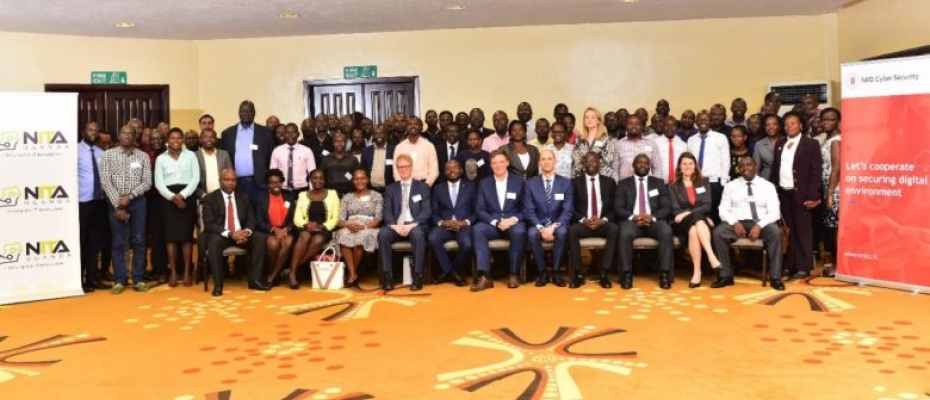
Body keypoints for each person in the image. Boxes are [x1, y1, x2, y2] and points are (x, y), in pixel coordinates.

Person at [711, 157, 784, 290]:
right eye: (742, 166)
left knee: (776, 232)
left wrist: (759, 225)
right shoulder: (731, 186)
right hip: (737, 222)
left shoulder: (767, 186)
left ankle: (775, 277)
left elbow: (775, 212)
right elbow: (722, 209)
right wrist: (734, 222)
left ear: (756, 166)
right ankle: (725, 275)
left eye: (749, 165)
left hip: (761, 222)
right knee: (718, 233)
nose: (745, 168)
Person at [100, 125, 153, 294]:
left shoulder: (143, 156)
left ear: (135, 136)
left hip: (137, 202)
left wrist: (129, 197)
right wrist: (118, 204)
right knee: (118, 242)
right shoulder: (108, 155)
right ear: (119, 135)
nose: (127, 136)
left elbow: (147, 182)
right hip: (115, 203)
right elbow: (105, 181)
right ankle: (120, 280)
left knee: (138, 240)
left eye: (130, 134)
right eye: (124, 133)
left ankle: (137, 279)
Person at [770, 112, 823, 280]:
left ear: (800, 125)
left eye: (793, 123)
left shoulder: (811, 144)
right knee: (789, 231)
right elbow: (775, 168)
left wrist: (813, 195)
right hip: (784, 193)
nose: (789, 127)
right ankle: (790, 265)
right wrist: (773, 191)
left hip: (802, 194)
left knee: (803, 231)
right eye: (786, 124)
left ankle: (803, 266)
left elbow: (816, 171)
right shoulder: (780, 143)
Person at [201, 169, 270, 296]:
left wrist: (247, 232)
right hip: (222, 235)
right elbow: (210, 224)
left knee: (260, 237)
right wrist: (231, 234)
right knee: (214, 242)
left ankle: (255, 280)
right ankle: (218, 284)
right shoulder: (210, 198)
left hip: (241, 234)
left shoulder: (244, 197)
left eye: (233, 180)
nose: (230, 183)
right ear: (220, 181)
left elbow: (251, 219)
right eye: (227, 180)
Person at [615, 154, 674, 290]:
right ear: (633, 165)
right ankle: (627, 273)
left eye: (646, 163)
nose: (643, 165)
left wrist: (651, 217)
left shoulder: (658, 183)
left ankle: (664, 273)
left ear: (650, 166)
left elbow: (666, 207)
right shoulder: (623, 183)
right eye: (639, 163)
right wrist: (634, 217)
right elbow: (618, 208)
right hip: (632, 221)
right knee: (624, 233)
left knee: (666, 231)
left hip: (653, 220)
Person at [472, 150, 528, 291]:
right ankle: (485, 276)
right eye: (494, 163)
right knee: (478, 229)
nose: (498, 165)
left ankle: (513, 274)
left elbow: (526, 208)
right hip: (493, 224)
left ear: (508, 162)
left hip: (513, 224)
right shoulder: (484, 183)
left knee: (520, 231)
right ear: (490, 165)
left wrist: (513, 220)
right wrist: (496, 222)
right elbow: (480, 209)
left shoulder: (519, 181)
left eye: (501, 162)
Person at [154, 128, 200, 287]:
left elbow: (196, 178)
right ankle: (173, 272)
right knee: (170, 237)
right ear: (168, 140)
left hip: (187, 197)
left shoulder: (191, 155)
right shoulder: (161, 159)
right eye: (172, 138)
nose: (175, 140)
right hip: (168, 199)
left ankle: (187, 272)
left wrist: (183, 195)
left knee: (186, 237)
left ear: (182, 140)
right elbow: (159, 182)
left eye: (179, 138)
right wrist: (173, 197)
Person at [668, 152, 722, 288]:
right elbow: (675, 211)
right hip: (681, 223)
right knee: (697, 219)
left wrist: (689, 212)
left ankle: (696, 272)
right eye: (684, 164)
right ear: (679, 167)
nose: (687, 166)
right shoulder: (673, 186)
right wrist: (699, 215)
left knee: (693, 231)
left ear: (695, 165)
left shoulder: (704, 182)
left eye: (690, 163)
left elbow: (708, 205)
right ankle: (711, 256)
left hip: (698, 222)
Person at [379, 154, 432, 291]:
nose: (403, 170)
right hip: (397, 225)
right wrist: (395, 226)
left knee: (418, 235)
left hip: (415, 225)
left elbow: (426, 211)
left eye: (406, 166)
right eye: (400, 167)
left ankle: (417, 276)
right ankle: (388, 277)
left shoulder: (422, 187)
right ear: (396, 169)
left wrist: (412, 224)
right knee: (383, 233)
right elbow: (387, 212)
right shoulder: (391, 189)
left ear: (411, 167)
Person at [568, 151, 619, 289]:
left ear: (599, 163)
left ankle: (604, 273)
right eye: (588, 161)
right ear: (583, 164)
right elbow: (571, 207)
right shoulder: (574, 183)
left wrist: (604, 220)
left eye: (594, 161)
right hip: (584, 223)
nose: (591, 164)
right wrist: (584, 220)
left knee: (614, 229)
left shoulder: (609, 182)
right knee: (572, 231)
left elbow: (616, 208)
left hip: (603, 223)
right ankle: (579, 274)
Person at [524, 149, 573, 287]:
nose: (546, 162)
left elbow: (567, 210)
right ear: (539, 162)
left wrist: (553, 227)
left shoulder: (566, 183)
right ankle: (542, 272)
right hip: (537, 223)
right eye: (543, 159)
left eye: (549, 159)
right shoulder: (530, 183)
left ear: (555, 161)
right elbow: (528, 210)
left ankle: (556, 272)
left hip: (558, 224)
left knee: (563, 232)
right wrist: (541, 227)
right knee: (531, 233)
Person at [287, 169, 340, 289]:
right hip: (306, 227)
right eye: (315, 178)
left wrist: (320, 227)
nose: (318, 180)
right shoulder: (302, 195)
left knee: (317, 240)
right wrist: (307, 225)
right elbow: (297, 218)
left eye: (321, 178)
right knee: (305, 236)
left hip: (324, 228)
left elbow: (335, 218)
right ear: (310, 180)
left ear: (324, 180)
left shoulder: (332, 194)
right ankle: (293, 273)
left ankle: (292, 270)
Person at [427, 160, 474, 287]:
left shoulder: (471, 187)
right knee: (432, 238)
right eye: (448, 169)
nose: (452, 170)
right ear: (444, 172)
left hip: (463, 225)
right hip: (445, 226)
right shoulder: (438, 189)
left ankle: (448, 271)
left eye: (455, 168)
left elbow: (476, 211)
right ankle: (454, 273)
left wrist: (465, 222)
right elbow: (434, 212)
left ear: (461, 171)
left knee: (467, 243)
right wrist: (442, 222)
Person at [334, 169, 384, 287]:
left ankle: (351, 274)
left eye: (362, 178)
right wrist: (348, 225)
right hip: (350, 226)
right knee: (342, 236)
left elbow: (378, 219)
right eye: (356, 179)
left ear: (367, 180)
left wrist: (364, 226)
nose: (359, 181)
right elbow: (340, 220)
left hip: (368, 227)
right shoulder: (347, 197)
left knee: (361, 238)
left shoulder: (376, 196)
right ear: (353, 181)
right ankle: (353, 274)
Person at [219, 100, 275, 204]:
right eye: (243, 111)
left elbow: (270, 157)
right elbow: (224, 159)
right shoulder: (228, 133)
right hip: (236, 183)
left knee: (260, 213)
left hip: (259, 183)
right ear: (239, 113)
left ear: (254, 113)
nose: (246, 114)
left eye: (249, 111)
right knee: (240, 214)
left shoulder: (265, 133)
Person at [78, 122, 110, 292]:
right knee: (82, 242)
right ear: (84, 131)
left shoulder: (101, 153)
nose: (93, 133)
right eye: (90, 130)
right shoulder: (75, 151)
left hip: (99, 203)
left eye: (96, 131)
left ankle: (92, 278)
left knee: (94, 243)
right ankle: (79, 280)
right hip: (82, 203)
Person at [254, 169, 296, 287]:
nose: (275, 185)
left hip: (285, 230)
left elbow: (293, 218)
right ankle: (272, 273)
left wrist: (286, 229)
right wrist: (273, 229)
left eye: (277, 182)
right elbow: (258, 221)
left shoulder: (289, 198)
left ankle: (272, 277)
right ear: (267, 184)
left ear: (282, 182)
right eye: (271, 183)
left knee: (287, 242)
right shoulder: (261, 199)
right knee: (273, 244)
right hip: (268, 230)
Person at [687, 111, 730, 222]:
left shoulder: (720, 138)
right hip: (696, 181)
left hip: (714, 183)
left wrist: (723, 183)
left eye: (706, 119)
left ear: (710, 121)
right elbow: (688, 161)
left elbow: (725, 161)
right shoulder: (691, 140)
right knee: (698, 211)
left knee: (714, 212)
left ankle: (714, 237)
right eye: (700, 119)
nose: (703, 122)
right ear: (696, 122)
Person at [819, 108, 841, 277]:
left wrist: (830, 192)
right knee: (829, 227)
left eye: (831, 120)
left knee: (834, 228)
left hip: (834, 189)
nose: (827, 123)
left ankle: (838, 265)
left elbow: (836, 168)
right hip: (827, 186)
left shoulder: (836, 140)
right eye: (824, 120)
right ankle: (833, 263)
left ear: (838, 121)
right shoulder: (827, 138)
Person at [270, 122, 316, 202]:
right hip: (283, 191)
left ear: (298, 134)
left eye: (293, 132)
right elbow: (273, 174)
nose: (290, 135)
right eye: (287, 133)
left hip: (303, 191)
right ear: (284, 134)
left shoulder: (307, 151)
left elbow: (312, 173)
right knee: (286, 214)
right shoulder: (277, 151)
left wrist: (312, 192)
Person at [571, 107, 617, 180]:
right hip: (581, 182)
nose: (589, 120)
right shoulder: (579, 140)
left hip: (600, 181)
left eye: (593, 117)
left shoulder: (606, 140)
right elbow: (576, 164)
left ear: (598, 121)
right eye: (586, 117)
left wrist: (595, 181)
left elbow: (607, 164)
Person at [393, 117, 439, 186]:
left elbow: (434, 170)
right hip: (404, 184)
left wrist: (426, 186)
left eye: (416, 124)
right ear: (406, 127)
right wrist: (403, 186)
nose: (413, 126)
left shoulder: (429, 146)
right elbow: (395, 170)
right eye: (410, 124)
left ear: (421, 128)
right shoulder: (399, 147)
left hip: (424, 184)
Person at [615, 114, 661, 181]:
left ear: (642, 126)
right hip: (626, 187)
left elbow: (657, 167)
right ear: (626, 126)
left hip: (647, 185)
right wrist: (618, 185)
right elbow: (615, 169)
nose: (634, 126)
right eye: (630, 124)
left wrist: (656, 184)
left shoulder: (651, 143)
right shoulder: (619, 144)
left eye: (637, 124)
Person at [322, 132, 360, 196]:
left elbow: (357, 178)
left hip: (350, 194)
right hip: (331, 195)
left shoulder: (353, 159)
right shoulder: (326, 159)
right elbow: (323, 178)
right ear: (333, 143)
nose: (339, 144)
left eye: (342, 141)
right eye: (336, 141)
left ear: (346, 143)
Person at [653, 115, 687, 184]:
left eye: (673, 126)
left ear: (677, 128)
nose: (670, 128)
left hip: (678, 183)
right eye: (667, 125)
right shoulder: (655, 143)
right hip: (659, 183)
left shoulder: (683, 145)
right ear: (663, 127)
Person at [362, 125, 395, 193]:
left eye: (381, 133)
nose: (379, 135)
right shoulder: (366, 151)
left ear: (386, 135)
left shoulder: (393, 150)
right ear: (373, 136)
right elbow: (363, 170)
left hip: (389, 190)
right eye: (376, 133)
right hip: (371, 190)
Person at [753, 114, 782, 181]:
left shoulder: (787, 141)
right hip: (766, 179)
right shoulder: (759, 144)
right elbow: (756, 168)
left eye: (774, 124)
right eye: (767, 125)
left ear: (779, 126)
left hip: (784, 179)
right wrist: (759, 184)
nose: (770, 127)